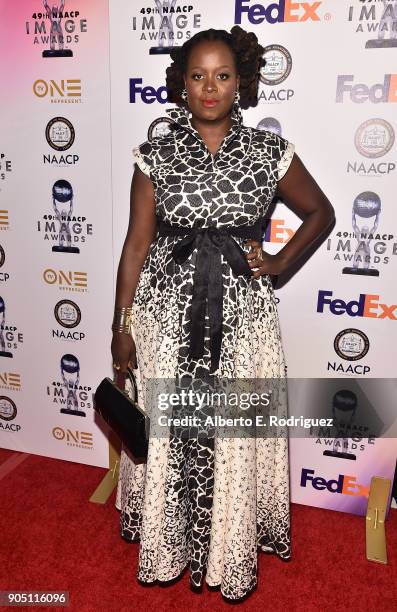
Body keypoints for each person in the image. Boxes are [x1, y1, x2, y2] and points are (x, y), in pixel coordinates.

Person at [113, 26, 334, 601]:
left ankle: (226, 545)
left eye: (222, 75)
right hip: (165, 313)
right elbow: (136, 245)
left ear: (241, 82)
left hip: (241, 317)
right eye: (197, 75)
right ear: (181, 83)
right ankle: (173, 541)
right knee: (172, 425)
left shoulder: (268, 153)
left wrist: (280, 262)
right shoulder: (154, 154)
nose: (209, 87)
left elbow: (320, 213)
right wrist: (122, 326)